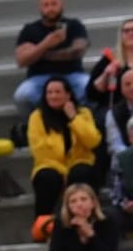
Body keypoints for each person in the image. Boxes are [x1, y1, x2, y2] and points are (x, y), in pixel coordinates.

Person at [26, 74, 103, 240]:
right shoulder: (37, 117)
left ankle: (87, 224)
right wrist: (64, 173)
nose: (53, 96)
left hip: (79, 162)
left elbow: (93, 141)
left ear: (68, 95)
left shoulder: (83, 113)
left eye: (57, 92)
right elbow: (40, 150)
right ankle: (42, 227)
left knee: (81, 172)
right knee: (47, 177)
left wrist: (74, 118)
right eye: (49, 92)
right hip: (50, 164)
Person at [14, 0, 90, 116]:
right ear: (40, 7)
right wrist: (46, 44)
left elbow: (78, 51)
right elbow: (21, 61)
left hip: (72, 75)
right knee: (22, 96)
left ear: (62, 4)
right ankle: (35, 125)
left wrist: (38, 53)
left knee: (89, 88)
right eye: (46, 5)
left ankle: (82, 122)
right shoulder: (29, 29)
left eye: (54, 4)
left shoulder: (74, 25)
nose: (50, 9)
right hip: (39, 78)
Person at [86, 17, 133, 210]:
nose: (130, 34)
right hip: (116, 110)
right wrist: (106, 74)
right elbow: (91, 93)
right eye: (126, 30)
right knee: (101, 127)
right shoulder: (110, 58)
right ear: (120, 35)